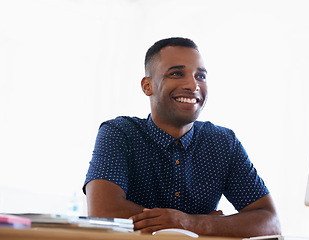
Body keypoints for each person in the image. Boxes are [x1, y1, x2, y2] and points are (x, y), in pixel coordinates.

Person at [83, 37, 281, 238]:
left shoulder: (223, 142)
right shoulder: (119, 133)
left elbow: (269, 221)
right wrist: (214, 222)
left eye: (201, 76)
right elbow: (104, 213)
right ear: (147, 86)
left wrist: (193, 223)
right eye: (176, 73)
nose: (193, 85)